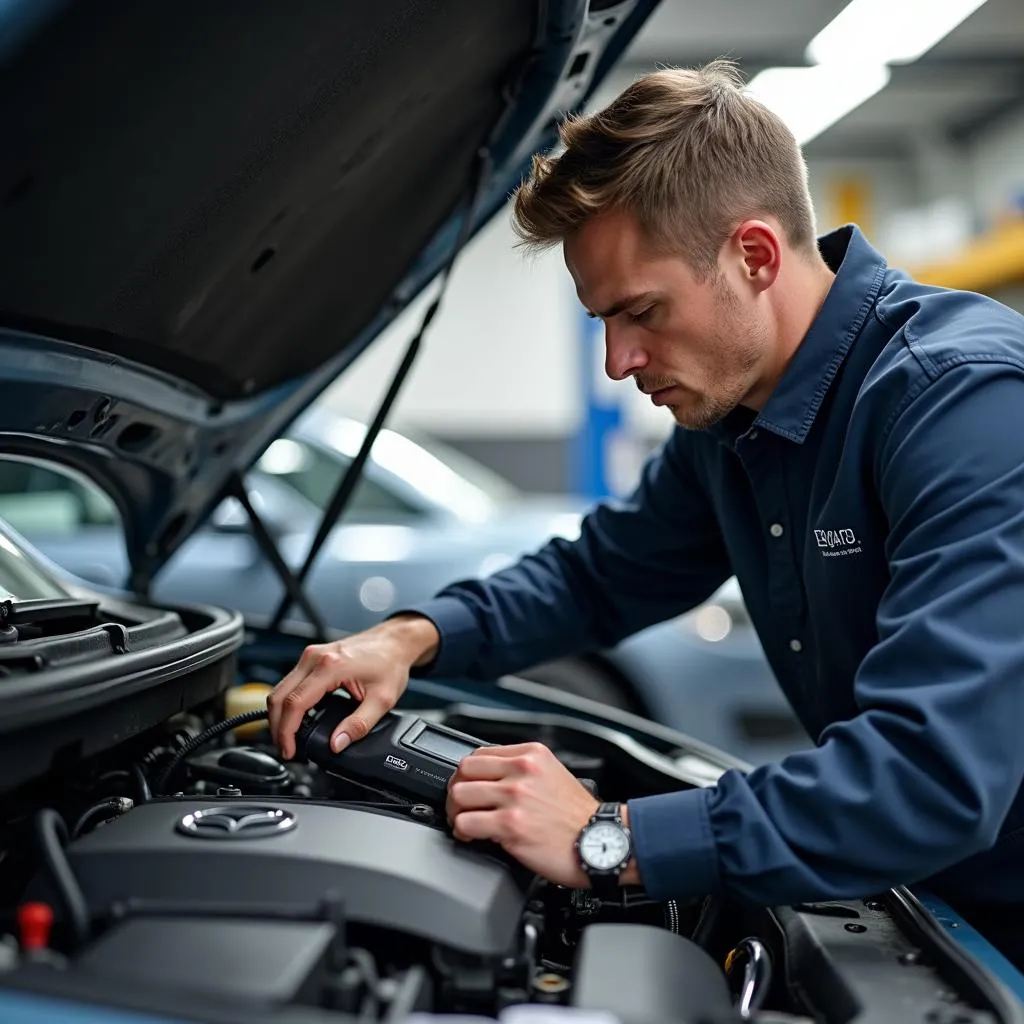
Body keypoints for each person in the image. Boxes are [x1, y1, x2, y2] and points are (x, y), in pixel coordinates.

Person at [268, 61, 1024, 965]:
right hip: (941, 907)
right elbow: (602, 573)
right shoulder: (731, 418)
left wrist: (608, 836)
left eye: (641, 312)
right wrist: (412, 636)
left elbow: (930, 779)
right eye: (602, 322)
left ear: (754, 255)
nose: (619, 361)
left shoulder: (962, 405)